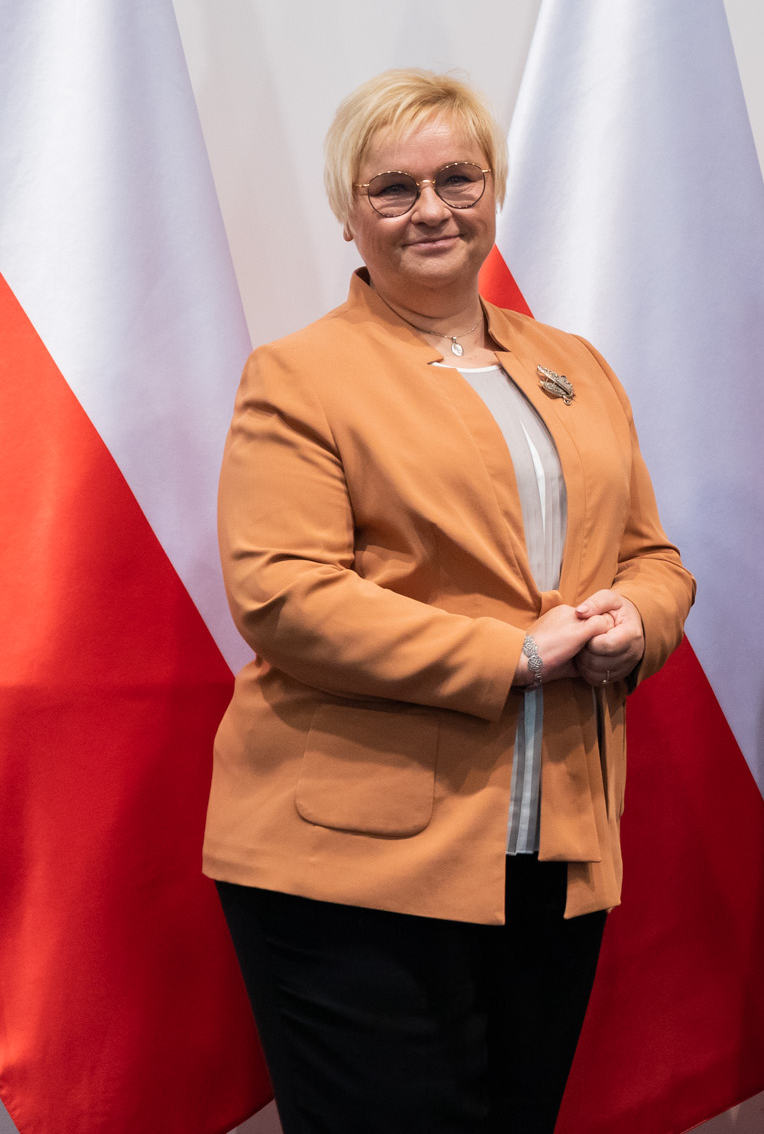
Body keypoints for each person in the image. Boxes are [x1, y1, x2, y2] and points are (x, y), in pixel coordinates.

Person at [203, 69, 695, 1133]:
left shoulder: (575, 366)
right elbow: (283, 594)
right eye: (393, 188)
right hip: (351, 866)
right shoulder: (298, 375)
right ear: (348, 214)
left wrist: (637, 622)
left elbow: (650, 555)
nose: (431, 208)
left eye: (457, 179)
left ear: (493, 190)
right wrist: (515, 655)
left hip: (554, 847)